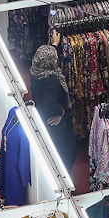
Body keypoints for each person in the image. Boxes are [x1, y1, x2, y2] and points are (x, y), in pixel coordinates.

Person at [29, 37, 77, 170]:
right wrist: (60, 112)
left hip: (40, 114)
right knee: (67, 151)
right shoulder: (52, 82)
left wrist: (54, 45)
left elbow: (46, 56)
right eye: (55, 57)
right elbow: (50, 104)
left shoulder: (36, 70)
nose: (57, 58)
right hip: (53, 123)